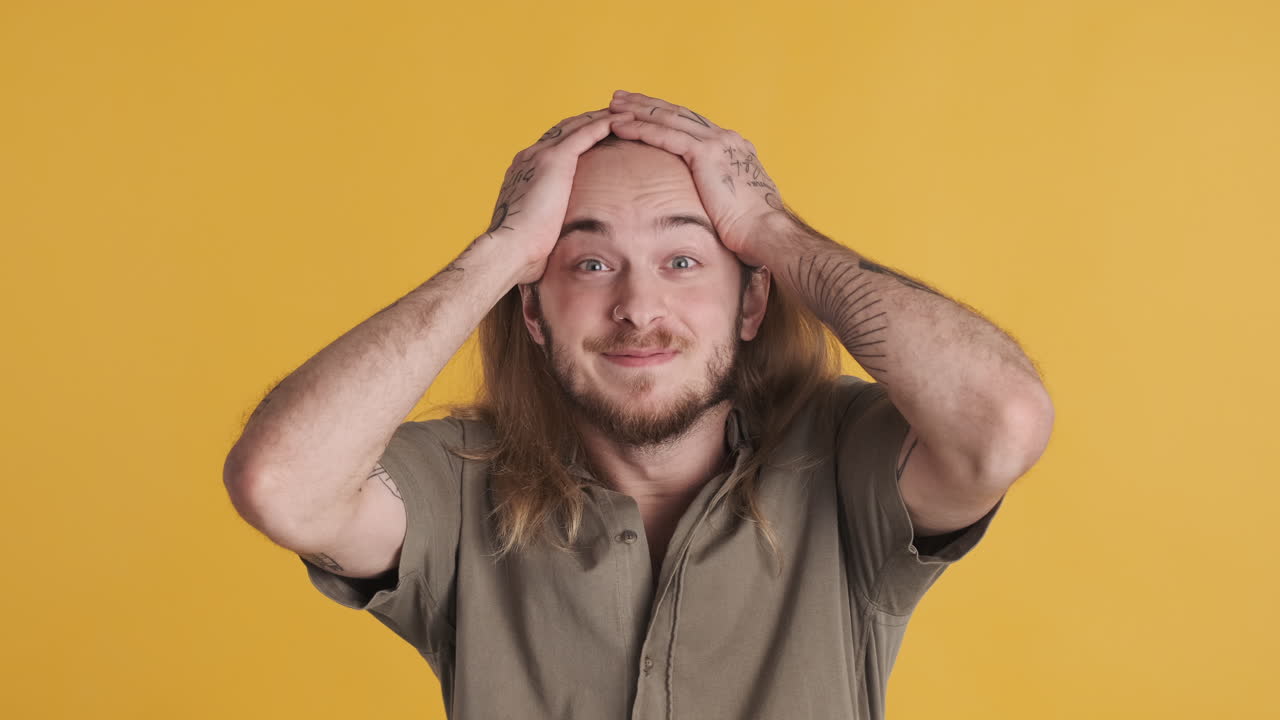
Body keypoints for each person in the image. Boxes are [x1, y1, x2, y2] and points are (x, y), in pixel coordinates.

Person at [223, 89, 1054, 719]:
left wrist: (772, 228)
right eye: (589, 264)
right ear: (534, 312)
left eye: (684, 261)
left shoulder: (844, 459)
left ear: (753, 302)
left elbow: (1002, 423)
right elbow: (282, 485)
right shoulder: (459, 481)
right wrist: (503, 249)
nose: (639, 308)